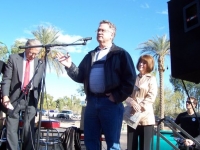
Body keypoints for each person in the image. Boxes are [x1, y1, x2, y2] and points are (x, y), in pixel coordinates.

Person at [56, 20, 136, 150]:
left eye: (102, 30)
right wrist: (70, 66)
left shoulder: (120, 54)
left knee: (113, 144)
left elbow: (130, 79)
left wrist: (116, 96)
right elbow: (80, 76)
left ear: (112, 34)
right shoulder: (90, 55)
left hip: (111, 104)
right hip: (92, 103)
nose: (99, 32)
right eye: (98, 30)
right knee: (91, 141)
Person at [1, 39, 44, 150]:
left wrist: (36, 101)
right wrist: (5, 96)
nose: (34, 56)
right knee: (11, 129)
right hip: (14, 98)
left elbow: (39, 85)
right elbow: (6, 79)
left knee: (28, 130)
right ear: (26, 48)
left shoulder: (40, 63)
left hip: (30, 100)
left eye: (36, 53)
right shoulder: (13, 58)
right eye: (31, 53)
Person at [126, 54, 157, 150]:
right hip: (132, 116)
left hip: (146, 117)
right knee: (131, 146)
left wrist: (139, 106)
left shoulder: (151, 79)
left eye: (144, 63)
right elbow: (126, 94)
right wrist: (131, 103)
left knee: (145, 147)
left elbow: (151, 96)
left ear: (149, 65)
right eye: (140, 62)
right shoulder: (132, 78)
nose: (141, 64)